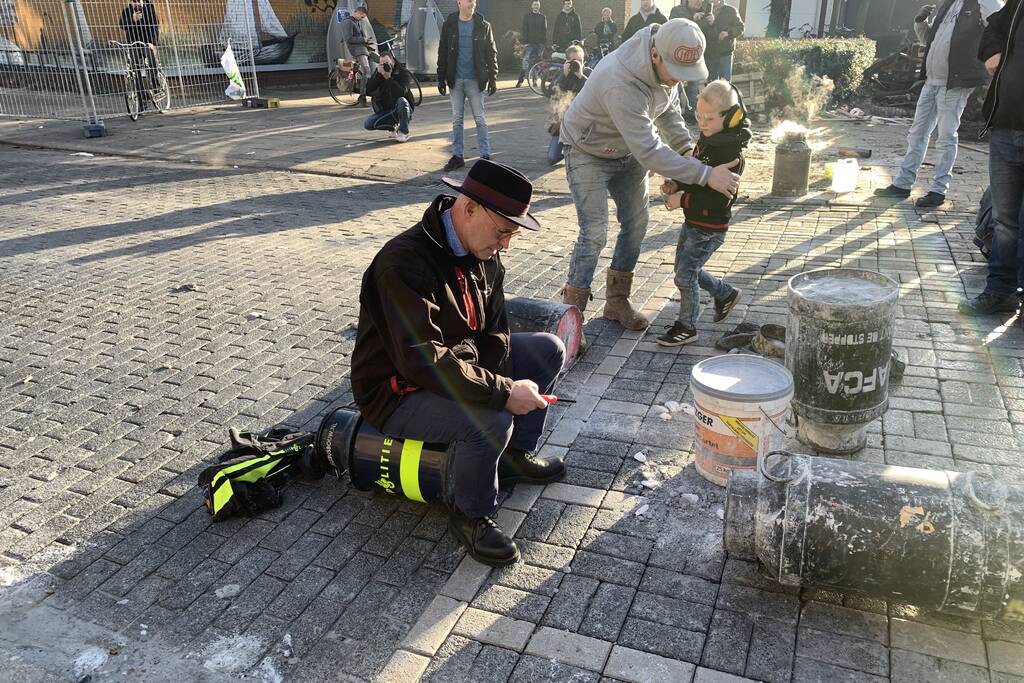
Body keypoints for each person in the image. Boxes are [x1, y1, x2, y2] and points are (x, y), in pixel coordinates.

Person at [350, 159, 567, 567]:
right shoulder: (402, 262)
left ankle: (513, 456)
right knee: (491, 420)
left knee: (548, 349)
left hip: (455, 366)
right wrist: (501, 392)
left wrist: (496, 381)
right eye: (503, 231)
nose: (506, 244)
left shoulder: (484, 252)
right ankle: (470, 514)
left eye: (513, 234)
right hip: (398, 389)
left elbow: (496, 329)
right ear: (468, 208)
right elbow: (422, 361)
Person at [558, 19, 740, 332]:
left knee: (637, 223)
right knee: (595, 232)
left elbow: (668, 113)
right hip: (587, 149)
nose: (679, 80)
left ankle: (617, 302)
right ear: (655, 55)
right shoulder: (621, 82)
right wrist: (704, 174)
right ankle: (570, 318)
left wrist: (687, 152)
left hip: (628, 150)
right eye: (676, 73)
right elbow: (650, 151)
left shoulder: (666, 66)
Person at [873, 0, 1003, 208]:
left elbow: (1002, 27)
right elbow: (929, 40)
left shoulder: (984, 3)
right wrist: (920, 22)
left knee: (945, 137)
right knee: (917, 133)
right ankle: (903, 184)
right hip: (931, 81)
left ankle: (938, 190)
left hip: (955, 83)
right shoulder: (949, 4)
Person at [657, 80, 749, 346]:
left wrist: (683, 199)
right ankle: (725, 294)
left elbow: (718, 202)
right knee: (686, 270)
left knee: (685, 275)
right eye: (699, 116)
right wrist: (677, 184)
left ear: (732, 117)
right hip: (694, 222)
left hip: (710, 228)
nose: (703, 123)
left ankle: (687, 326)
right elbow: (697, 172)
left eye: (710, 118)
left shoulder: (730, 154)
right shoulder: (707, 140)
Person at [959, 0, 1023, 319]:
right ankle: (1000, 291)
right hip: (1006, 127)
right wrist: (992, 52)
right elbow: (992, 28)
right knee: (1004, 220)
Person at [437, 0, 498, 172]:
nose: (472, 4)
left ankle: (485, 156)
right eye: (469, 1)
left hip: (475, 81)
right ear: (459, 3)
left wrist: (493, 78)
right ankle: (458, 156)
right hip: (455, 80)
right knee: (457, 119)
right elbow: (442, 51)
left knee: (480, 118)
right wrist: (441, 78)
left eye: (474, 2)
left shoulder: (483, 25)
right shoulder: (449, 24)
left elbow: (491, 52)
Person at [671, 0, 711, 123]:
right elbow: (674, 27)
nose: (699, 1)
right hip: (679, 54)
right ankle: (674, 115)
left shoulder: (706, 14)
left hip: (696, 56)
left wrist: (712, 23)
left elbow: (708, 37)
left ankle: (691, 115)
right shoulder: (677, 10)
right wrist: (692, 19)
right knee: (676, 86)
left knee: (693, 87)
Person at [547, 44, 587, 165]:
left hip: (583, 122)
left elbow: (594, 92)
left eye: (580, 60)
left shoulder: (589, 73)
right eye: (574, 61)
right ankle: (568, 151)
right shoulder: (562, 74)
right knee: (552, 157)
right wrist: (563, 76)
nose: (578, 63)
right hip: (563, 121)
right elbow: (551, 94)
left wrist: (581, 76)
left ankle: (579, 151)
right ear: (567, 61)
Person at [362, 52, 415, 142]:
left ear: (393, 61)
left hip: (402, 109)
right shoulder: (379, 73)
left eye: (387, 63)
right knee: (368, 124)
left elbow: (401, 92)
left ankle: (404, 131)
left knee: (401, 100)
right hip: (387, 110)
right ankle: (392, 127)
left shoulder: (403, 73)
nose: (385, 66)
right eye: (382, 64)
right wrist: (377, 76)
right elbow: (368, 90)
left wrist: (389, 78)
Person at [118, 0, 160, 93]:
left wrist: (152, 42)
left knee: (151, 58)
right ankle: (141, 92)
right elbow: (122, 25)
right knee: (134, 67)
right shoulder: (127, 11)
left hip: (147, 43)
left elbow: (155, 27)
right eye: (134, 1)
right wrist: (132, 19)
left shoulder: (149, 10)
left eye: (138, 1)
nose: (136, 3)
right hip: (133, 44)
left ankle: (155, 84)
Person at [341, 5, 378, 107]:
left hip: (364, 48)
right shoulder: (348, 22)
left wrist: (367, 41)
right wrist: (363, 39)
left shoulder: (356, 22)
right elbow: (349, 39)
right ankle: (362, 96)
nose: (362, 19)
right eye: (362, 17)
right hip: (358, 50)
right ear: (358, 12)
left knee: (381, 61)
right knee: (366, 71)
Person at [703, 0, 744, 81]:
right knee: (711, 84)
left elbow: (741, 28)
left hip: (725, 54)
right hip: (709, 54)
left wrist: (728, 33)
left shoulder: (731, 10)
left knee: (725, 84)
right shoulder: (704, 10)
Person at [517, 1, 548, 88]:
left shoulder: (543, 17)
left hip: (539, 45)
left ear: (539, 6)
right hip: (529, 44)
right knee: (525, 62)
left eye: (537, 5)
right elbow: (524, 30)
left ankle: (535, 81)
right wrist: (525, 42)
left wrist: (543, 44)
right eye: (534, 4)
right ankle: (520, 81)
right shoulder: (527, 17)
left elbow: (544, 31)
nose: (536, 6)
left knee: (537, 63)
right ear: (532, 6)